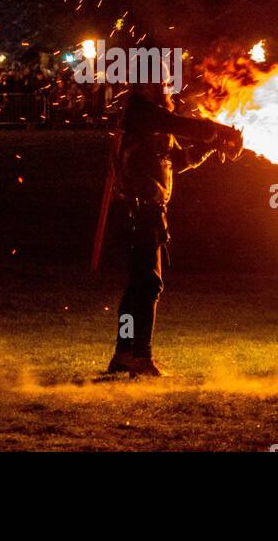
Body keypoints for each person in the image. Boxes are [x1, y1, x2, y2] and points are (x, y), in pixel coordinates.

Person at [105, 82, 243, 377]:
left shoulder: (155, 119)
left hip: (146, 209)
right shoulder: (142, 111)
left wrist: (210, 145)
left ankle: (124, 352)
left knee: (138, 284)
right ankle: (140, 356)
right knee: (149, 284)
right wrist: (217, 131)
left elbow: (177, 160)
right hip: (139, 208)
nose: (168, 90)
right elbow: (186, 126)